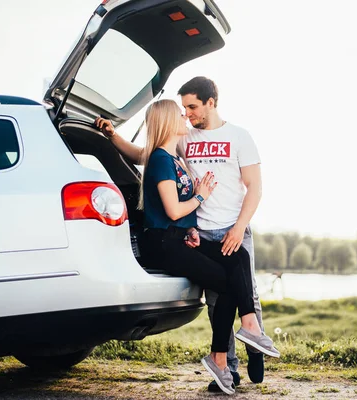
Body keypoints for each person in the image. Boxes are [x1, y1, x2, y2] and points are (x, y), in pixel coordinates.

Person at [94, 100, 279, 395]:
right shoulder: (160, 158)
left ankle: (249, 330)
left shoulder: (174, 155)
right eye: (180, 112)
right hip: (165, 242)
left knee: (238, 256)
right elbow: (174, 209)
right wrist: (201, 196)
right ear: (168, 121)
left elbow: (180, 213)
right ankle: (222, 358)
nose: (185, 115)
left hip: (181, 236)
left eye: (189, 108)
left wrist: (191, 227)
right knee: (229, 285)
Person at [177, 77, 266, 391]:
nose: (186, 113)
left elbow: (254, 187)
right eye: (184, 107)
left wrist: (239, 228)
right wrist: (112, 136)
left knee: (247, 294)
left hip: (235, 228)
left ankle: (256, 348)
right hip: (202, 234)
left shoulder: (239, 136)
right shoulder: (183, 138)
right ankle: (226, 369)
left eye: (192, 106)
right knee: (217, 303)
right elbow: (145, 154)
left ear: (210, 102)